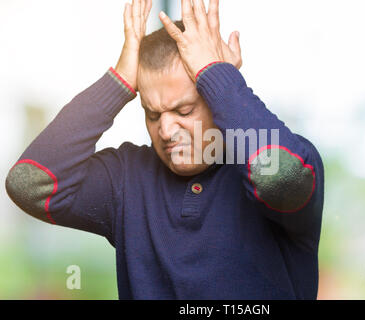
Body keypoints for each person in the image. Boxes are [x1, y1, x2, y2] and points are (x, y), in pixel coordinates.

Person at [5, 0, 324, 300]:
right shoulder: (128, 178)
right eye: (153, 114)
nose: (166, 131)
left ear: (217, 96)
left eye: (184, 111)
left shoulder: (289, 157)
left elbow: (279, 177)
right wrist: (118, 83)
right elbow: (29, 182)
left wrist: (220, 76)